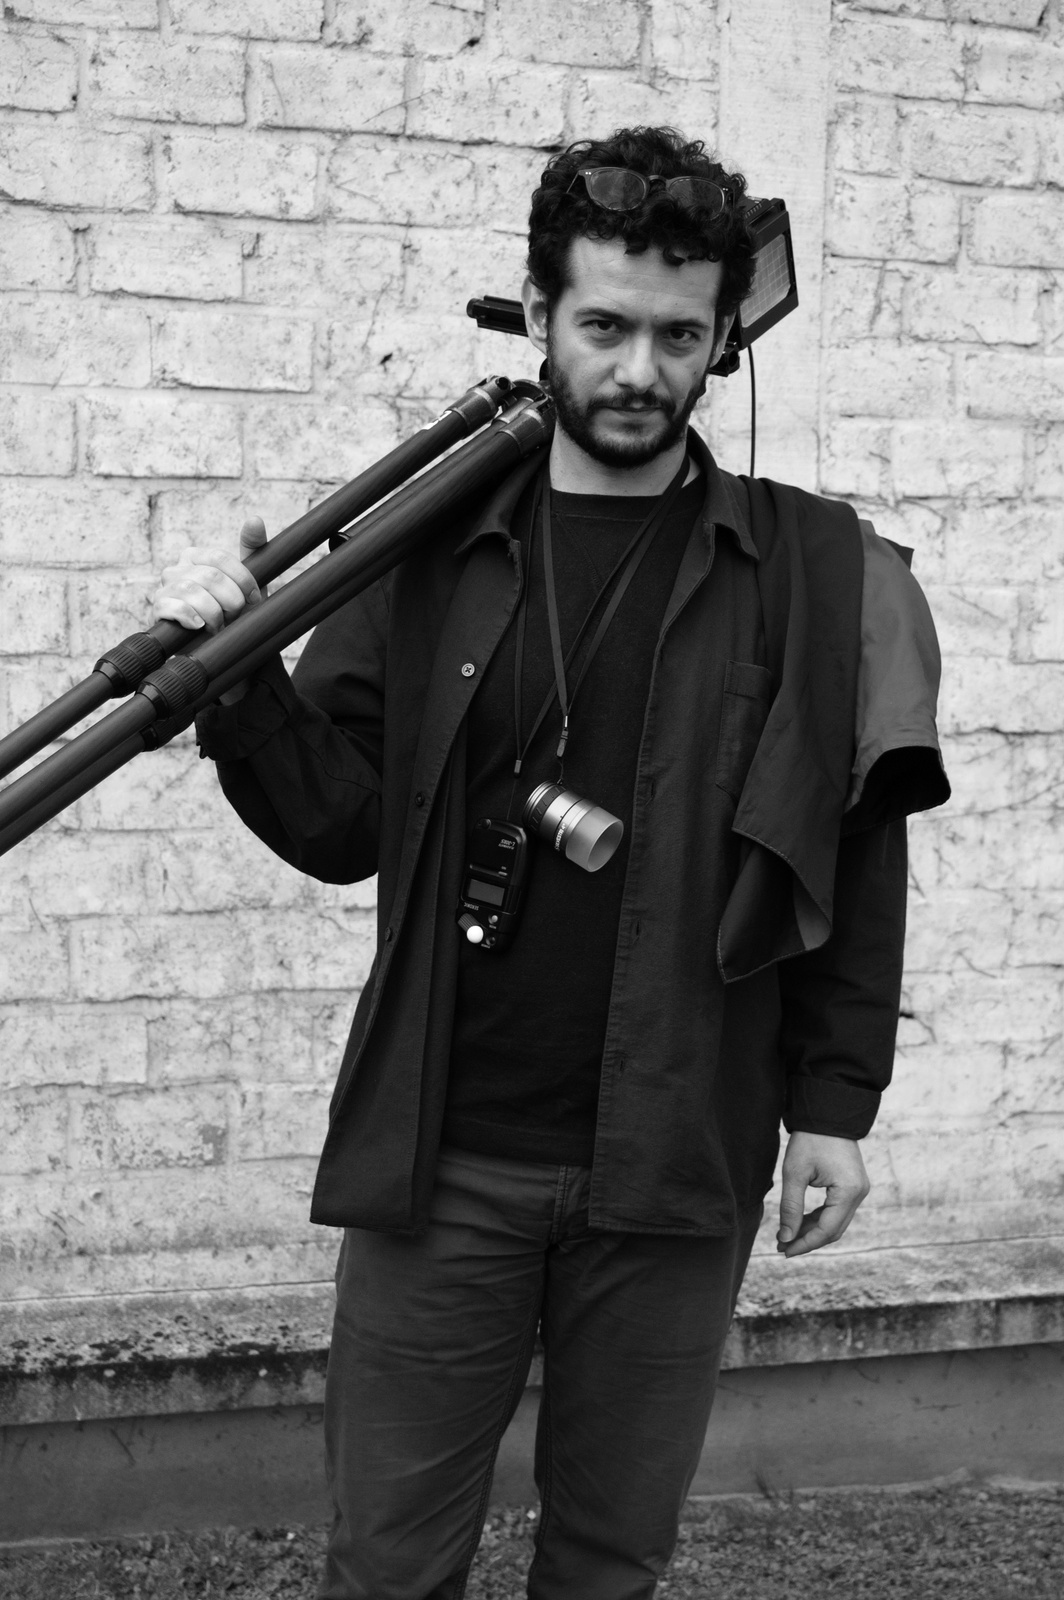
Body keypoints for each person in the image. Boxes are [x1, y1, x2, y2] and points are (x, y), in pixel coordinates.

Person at [153, 126, 949, 1600]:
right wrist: (239, 685)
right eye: (604, 326)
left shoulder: (818, 573)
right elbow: (337, 827)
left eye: (679, 336)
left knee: (610, 1561)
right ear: (537, 314)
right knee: (388, 1564)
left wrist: (835, 1110)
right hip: (443, 1157)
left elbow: (856, 857)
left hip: (679, 1159)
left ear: (722, 341)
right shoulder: (423, 550)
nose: (640, 369)